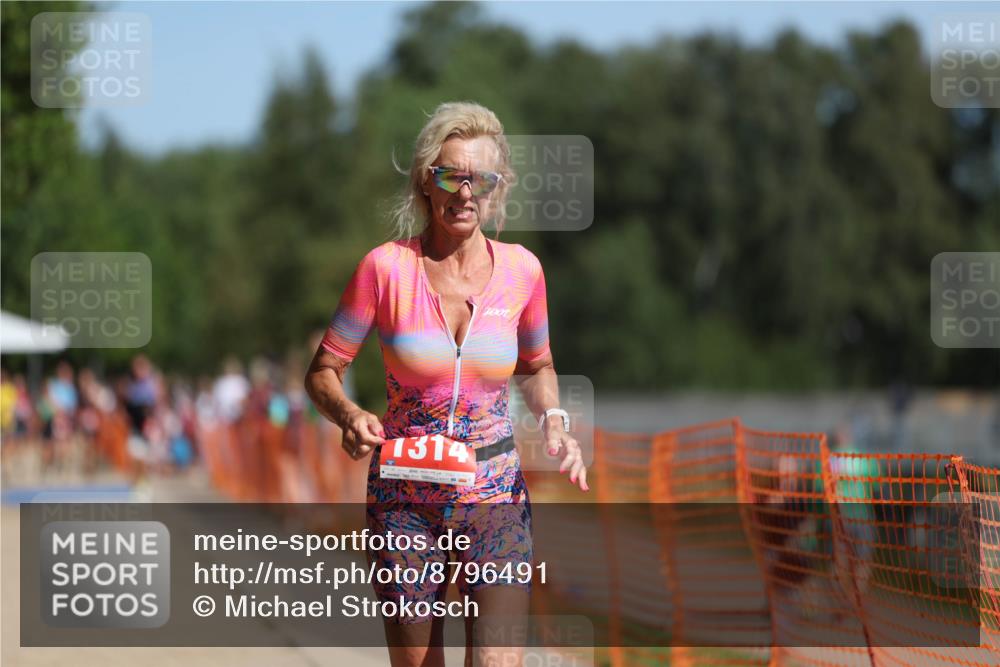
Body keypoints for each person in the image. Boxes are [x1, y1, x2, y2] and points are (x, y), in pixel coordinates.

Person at [305, 101, 587, 667]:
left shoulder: (523, 272)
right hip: (405, 500)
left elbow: (537, 366)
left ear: (497, 189)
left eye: (480, 179)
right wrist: (349, 414)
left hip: (495, 495)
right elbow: (322, 372)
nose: (465, 192)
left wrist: (555, 420)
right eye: (450, 175)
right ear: (425, 182)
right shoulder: (384, 269)